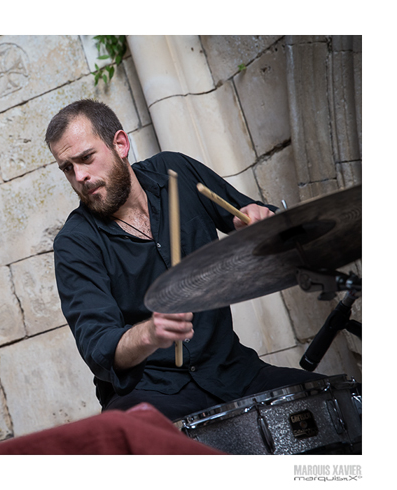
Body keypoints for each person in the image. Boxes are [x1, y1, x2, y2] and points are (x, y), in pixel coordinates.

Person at [47, 99, 324, 421]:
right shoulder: (75, 243)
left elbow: (269, 228)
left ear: (120, 144)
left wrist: (260, 222)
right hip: (151, 395)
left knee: (344, 409)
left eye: (86, 158)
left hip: (234, 371)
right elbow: (99, 346)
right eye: (67, 168)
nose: (79, 176)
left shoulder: (176, 172)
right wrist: (150, 333)